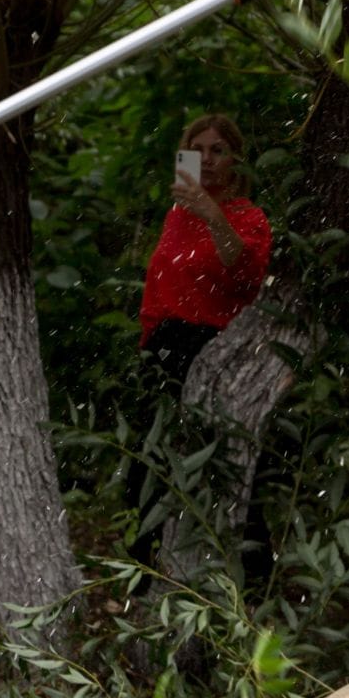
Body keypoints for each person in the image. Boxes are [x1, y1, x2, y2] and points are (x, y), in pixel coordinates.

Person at [126, 113, 272, 568]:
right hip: (162, 346)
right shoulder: (176, 215)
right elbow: (162, 283)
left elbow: (243, 271)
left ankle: (253, 572)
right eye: (198, 150)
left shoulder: (247, 216)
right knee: (146, 464)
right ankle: (146, 571)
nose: (207, 160)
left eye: (218, 150)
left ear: (235, 159)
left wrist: (212, 215)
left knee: (226, 463)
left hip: (211, 346)